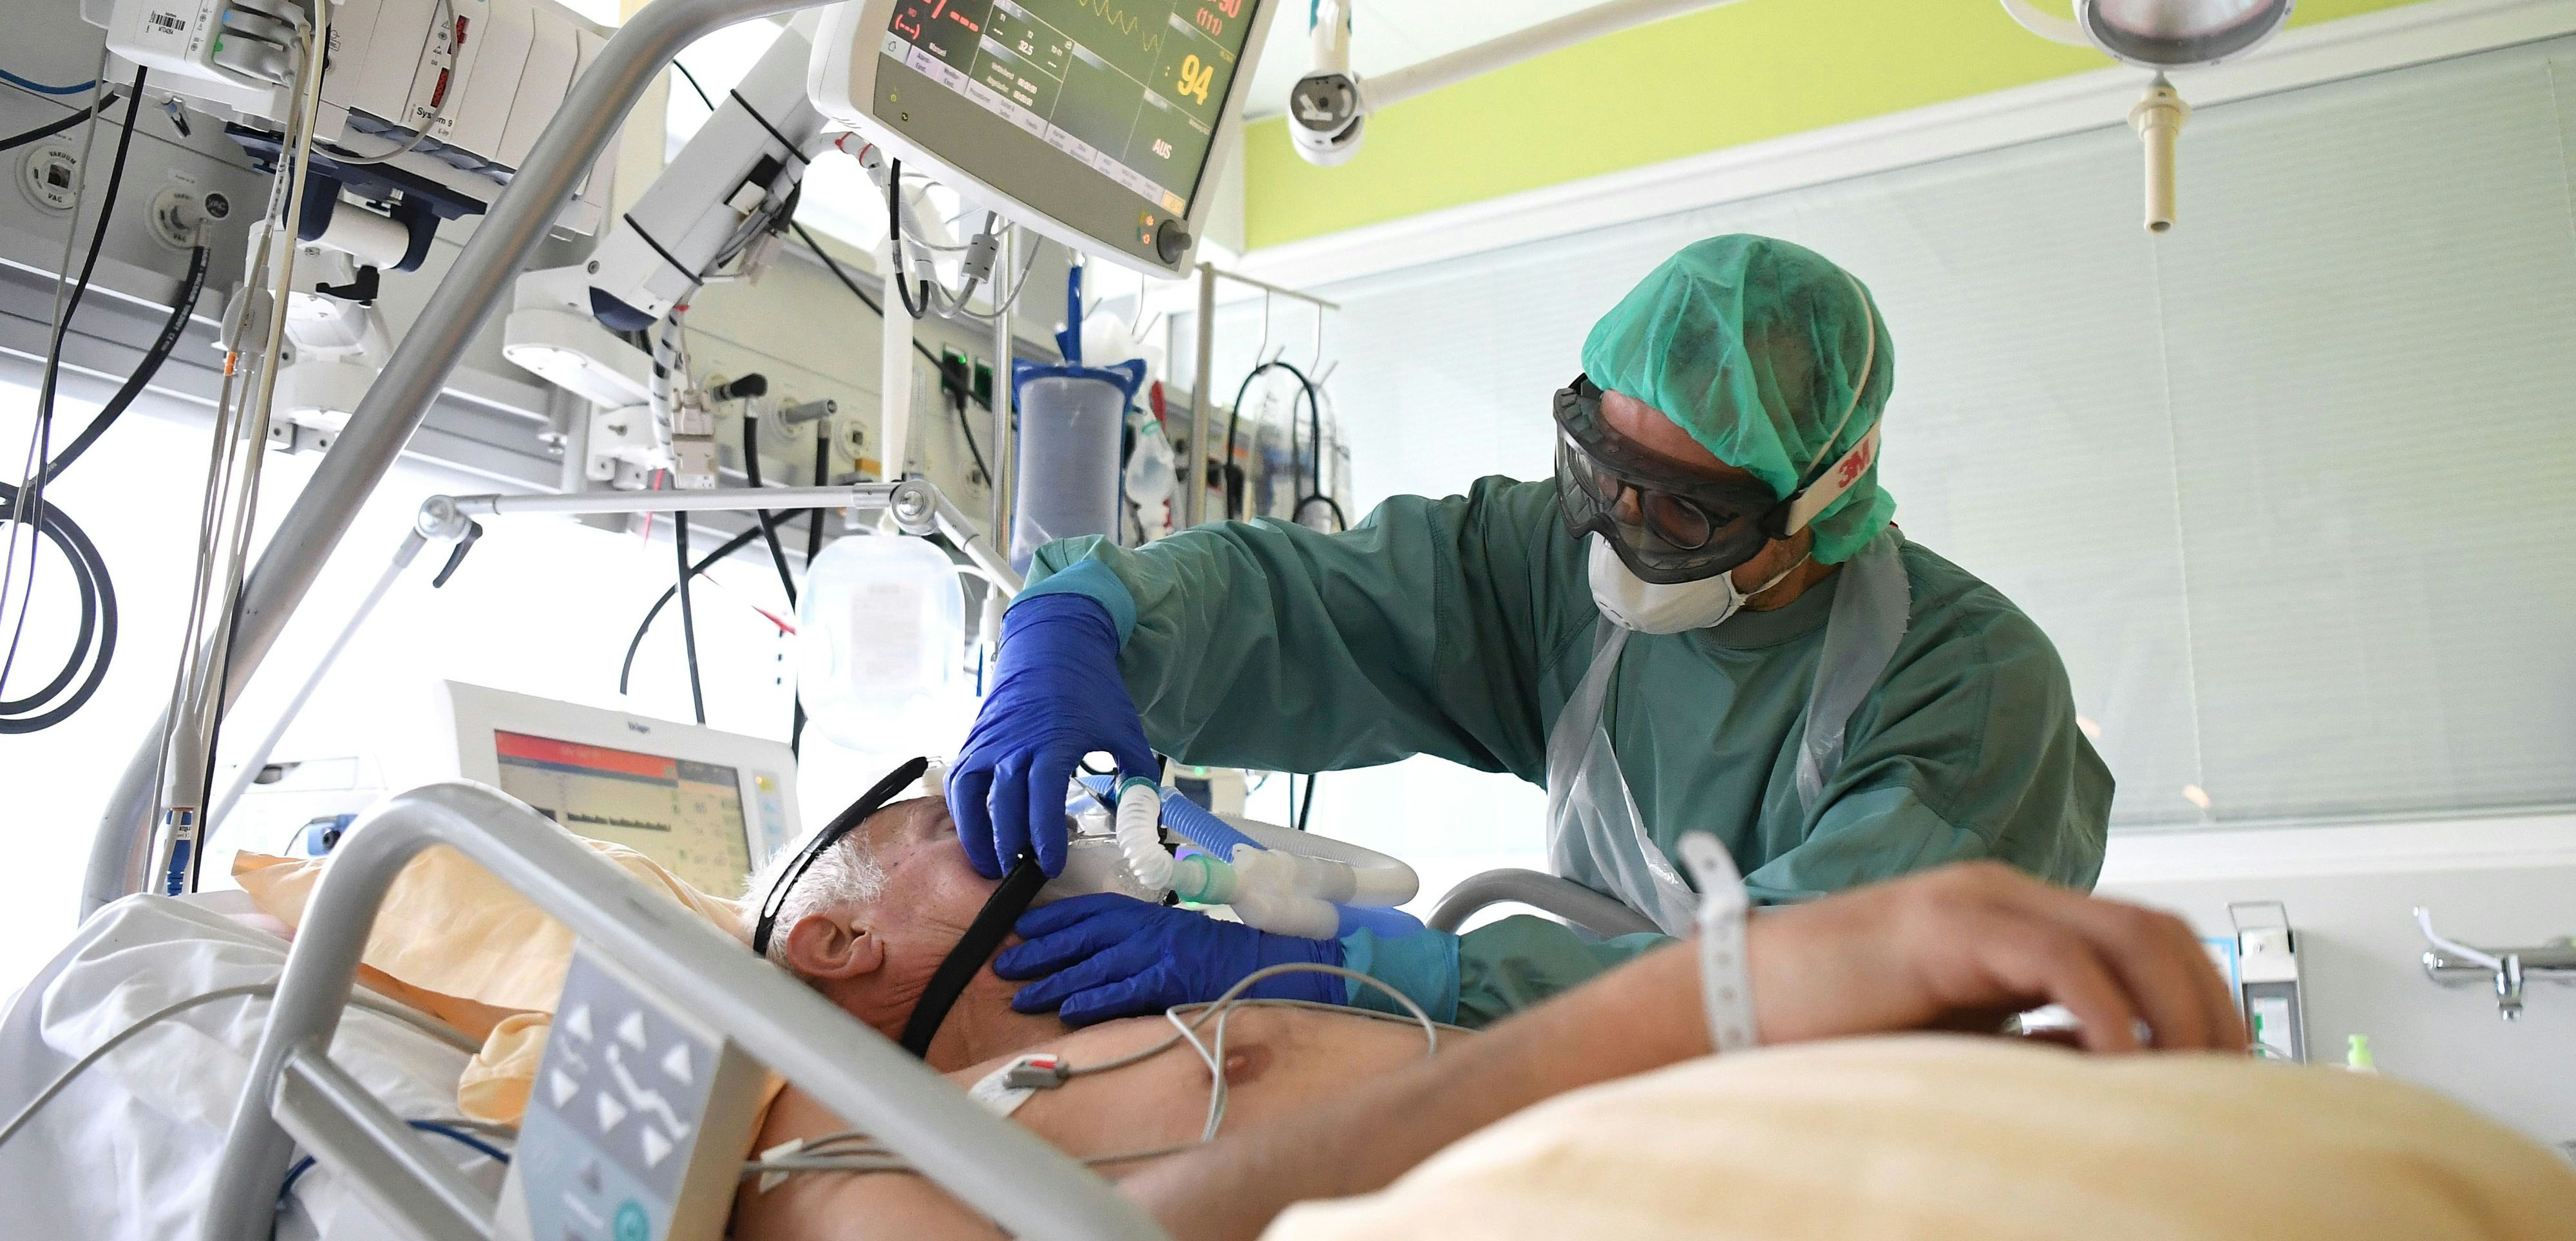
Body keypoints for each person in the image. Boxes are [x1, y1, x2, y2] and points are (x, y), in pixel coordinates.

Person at [946, 234, 2113, 1028]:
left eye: (1689, 513)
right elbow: (1315, 606)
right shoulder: (1551, 562)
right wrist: (1083, 622)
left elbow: (1822, 979)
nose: (1618, 537)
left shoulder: (1971, 689)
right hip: (1581, 1092)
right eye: (1602, 476)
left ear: (1828, 486)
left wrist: (1404, 974)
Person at [732, 786, 2237, 1241]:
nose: (1026, 827)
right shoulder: (809, 1150)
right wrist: (1720, 999)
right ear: (834, 936)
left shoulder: (1042, 1059)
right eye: (966, 824)